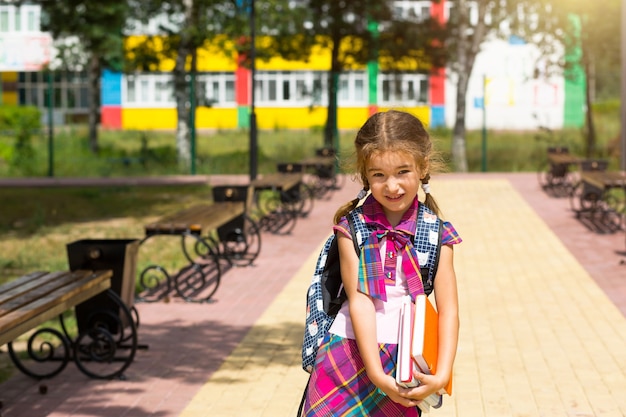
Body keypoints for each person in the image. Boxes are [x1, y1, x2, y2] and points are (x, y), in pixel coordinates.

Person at [302, 110, 462, 416]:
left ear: (423, 167)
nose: (392, 186)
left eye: (403, 172)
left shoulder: (437, 233)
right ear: (365, 175)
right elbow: (359, 301)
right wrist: (375, 374)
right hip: (346, 354)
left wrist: (442, 374)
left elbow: (449, 310)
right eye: (379, 175)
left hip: (404, 361)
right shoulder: (352, 229)